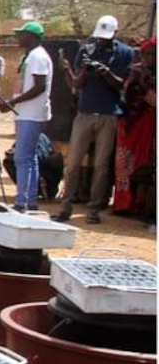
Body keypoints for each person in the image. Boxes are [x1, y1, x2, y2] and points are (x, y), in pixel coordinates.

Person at [53, 16, 133, 223]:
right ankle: (66, 206)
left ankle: (94, 209)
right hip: (85, 112)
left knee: (101, 165)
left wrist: (106, 72)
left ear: (115, 34)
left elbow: (121, 85)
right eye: (100, 37)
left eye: (106, 37)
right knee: (73, 163)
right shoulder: (86, 50)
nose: (102, 41)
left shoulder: (125, 53)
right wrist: (83, 70)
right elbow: (77, 85)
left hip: (108, 113)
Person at [0, 22, 53, 212]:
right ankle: (29, 200)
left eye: (22, 34)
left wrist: (12, 103)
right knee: (29, 158)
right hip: (25, 113)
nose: (19, 38)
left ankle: (22, 202)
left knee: (22, 158)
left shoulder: (38, 57)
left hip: (32, 114)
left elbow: (40, 87)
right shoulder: (29, 56)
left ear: (33, 37)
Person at [113, 39, 156, 226]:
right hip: (130, 123)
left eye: (153, 54)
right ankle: (125, 204)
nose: (150, 57)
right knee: (125, 164)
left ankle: (142, 204)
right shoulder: (135, 72)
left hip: (148, 125)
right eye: (147, 54)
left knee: (145, 164)